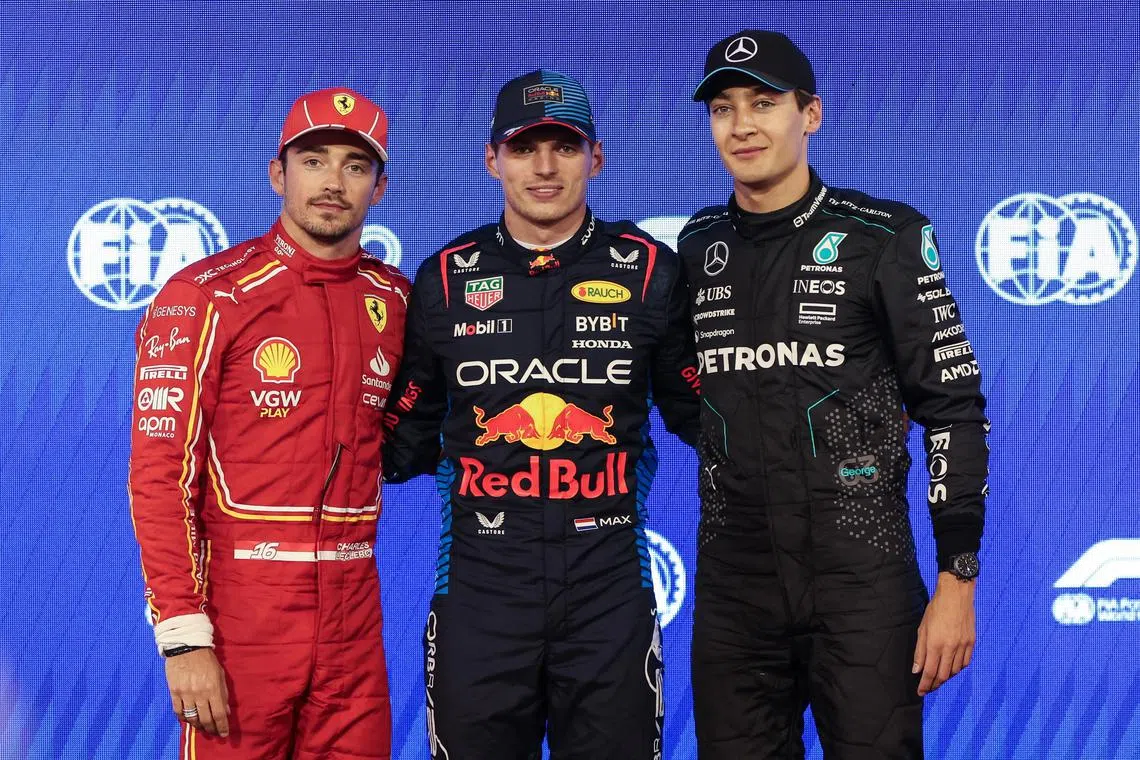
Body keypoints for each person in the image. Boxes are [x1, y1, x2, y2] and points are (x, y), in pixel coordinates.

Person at [678, 31, 989, 759]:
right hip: (734, 590)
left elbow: (953, 407)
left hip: (862, 581)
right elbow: (684, 391)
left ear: (811, 114)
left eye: (764, 103)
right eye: (723, 108)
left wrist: (958, 582)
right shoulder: (697, 247)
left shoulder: (884, 235)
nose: (743, 124)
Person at [382, 70, 701, 760]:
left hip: (608, 593)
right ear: (493, 159)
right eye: (525, 148)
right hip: (478, 593)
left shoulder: (651, 271)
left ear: (597, 157)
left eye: (565, 145)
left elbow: (707, 414)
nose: (546, 167)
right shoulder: (445, 278)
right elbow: (399, 440)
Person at [128, 86, 409, 759]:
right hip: (243, 620)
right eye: (314, 161)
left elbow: (409, 428)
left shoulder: (396, 300)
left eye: (355, 165)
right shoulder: (205, 295)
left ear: (380, 187)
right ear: (278, 174)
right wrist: (185, 636)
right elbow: (161, 474)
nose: (333, 182)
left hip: (353, 624)